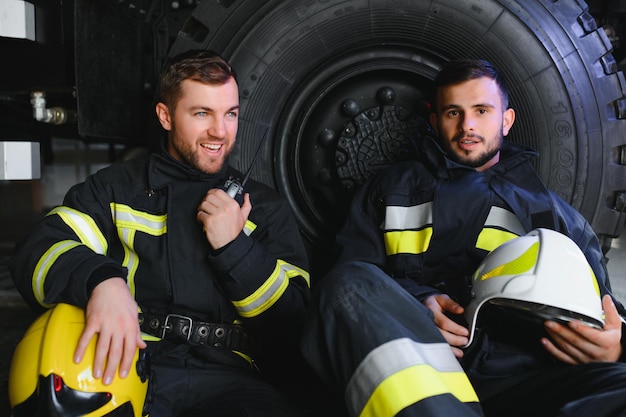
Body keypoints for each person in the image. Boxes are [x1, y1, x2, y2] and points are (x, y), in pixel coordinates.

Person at [301, 58, 626, 417]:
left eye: (482, 110)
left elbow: (605, 309)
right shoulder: (388, 190)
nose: (467, 125)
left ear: (506, 120)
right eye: (453, 112)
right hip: (417, 362)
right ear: (435, 121)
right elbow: (350, 287)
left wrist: (615, 349)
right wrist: (418, 302)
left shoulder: (555, 215)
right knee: (344, 284)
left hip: (527, 378)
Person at [10, 49, 313, 416]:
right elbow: (38, 249)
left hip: (233, 384)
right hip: (127, 367)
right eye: (202, 113)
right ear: (165, 116)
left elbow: (295, 327)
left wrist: (236, 247)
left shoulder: (263, 209)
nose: (220, 131)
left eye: (230, 114)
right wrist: (101, 281)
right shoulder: (116, 189)